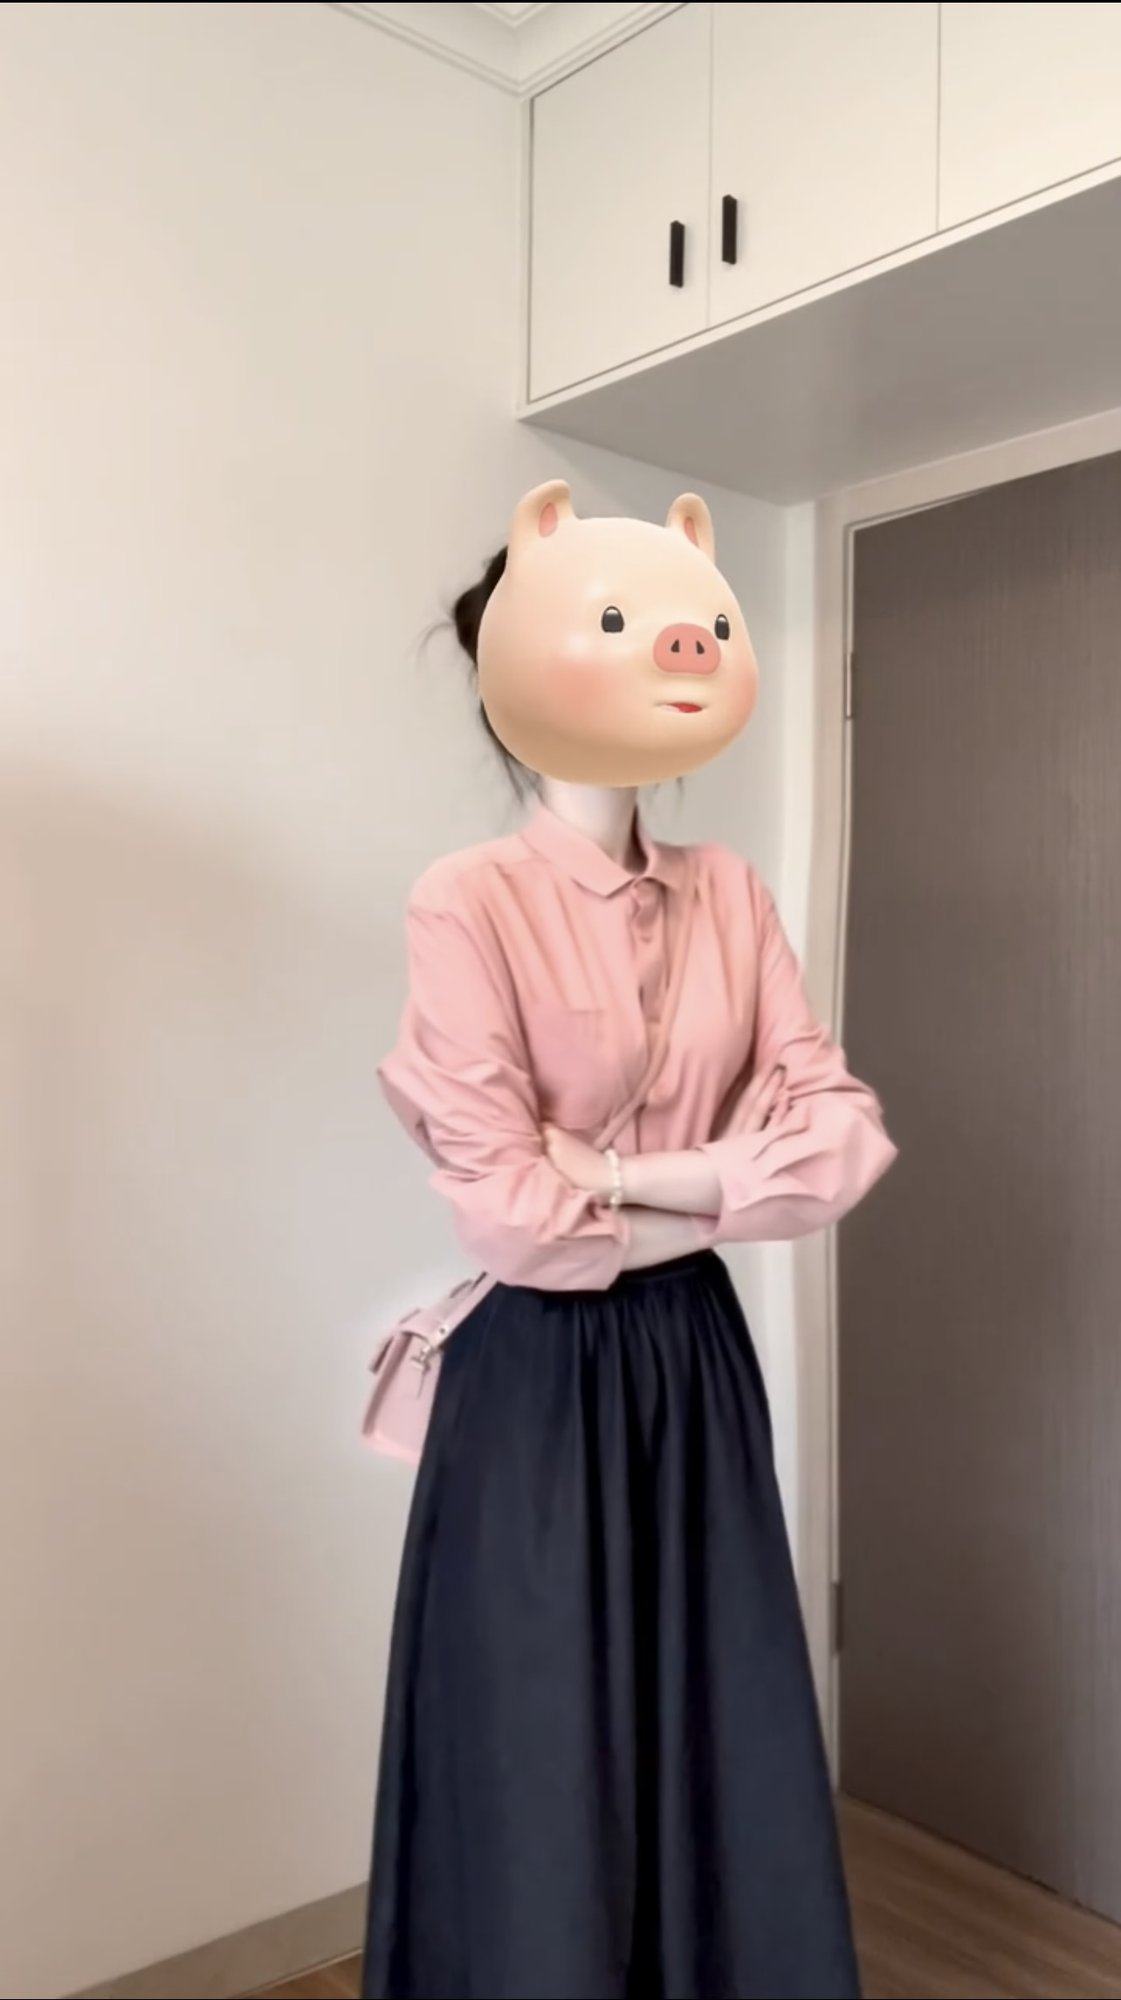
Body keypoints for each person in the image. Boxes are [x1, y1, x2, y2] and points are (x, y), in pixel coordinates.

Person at [360, 483, 898, 1999]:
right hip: (531, 1377)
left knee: (716, 1720)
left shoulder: (732, 893)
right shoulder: (468, 902)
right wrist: (722, 1183)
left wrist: (617, 1174)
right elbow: (508, 1216)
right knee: (541, 1752)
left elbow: (839, 1141)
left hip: (692, 1363)